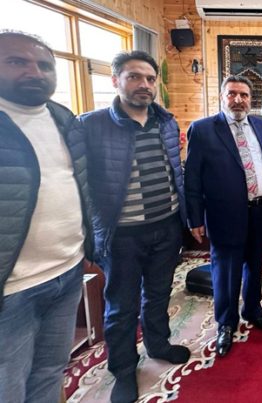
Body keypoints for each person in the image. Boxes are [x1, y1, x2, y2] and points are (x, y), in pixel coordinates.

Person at [80, 50, 190, 403]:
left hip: (166, 227)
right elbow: (83, 186)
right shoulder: (92, 125)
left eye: (149, 78)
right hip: (122, 236)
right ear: (115, 81)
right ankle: (124, 370)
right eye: (134, 77)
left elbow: (176, 172)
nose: (144, 84)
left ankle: (158, 344)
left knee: (158, 295)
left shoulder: (167, 121)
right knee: (122, 305)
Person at [0, 30, 93, 403]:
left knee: (52, 369)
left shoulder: (64, 119)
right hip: (12, 289)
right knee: (9, 383)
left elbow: (80, 184)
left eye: (44, 65)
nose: (34, 73)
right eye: (17, 62)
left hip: (66, 271)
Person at [185, 75, 262, 358]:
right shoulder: (202, 130)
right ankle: (226, 322)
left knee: (255, 265)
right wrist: (194, 218)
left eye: (245, 95)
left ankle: (253, 309)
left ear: (252, 99)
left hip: (259, 210)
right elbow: (192, 179)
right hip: (224, 213)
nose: (239, 99)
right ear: (222, 97)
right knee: (225, 271)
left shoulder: (261, 127)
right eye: (233, 94)